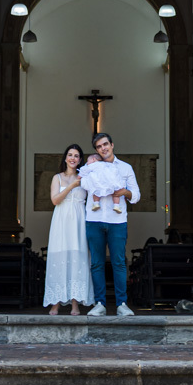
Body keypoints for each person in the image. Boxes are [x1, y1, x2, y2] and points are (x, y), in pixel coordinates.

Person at [83, 132, 140, 317]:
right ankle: (99, 303)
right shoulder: (91, 166)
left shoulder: (125, 168)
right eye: (99, 146)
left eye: (105, 144)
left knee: (119, 263)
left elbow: (136, 195)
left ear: (112, 145)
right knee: (97, 263)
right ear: (96, 150)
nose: (103, 148)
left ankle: (122, 304)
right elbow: (82, 184)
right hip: (94, 220)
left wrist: (124, 192)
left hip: (117, 222)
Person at [42, 143, 94, 315]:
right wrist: (72, 186)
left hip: (78, 223)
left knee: (77, 259)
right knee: (60, 259)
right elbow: (55, 200)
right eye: (70, 155)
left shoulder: (85, 177)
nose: (73, 158)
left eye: (77, 156)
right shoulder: (57, 178)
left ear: (80, 160)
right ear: (65, 158)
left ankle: (75, 304)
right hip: (61, 223)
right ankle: (55, 303)